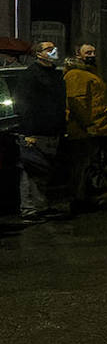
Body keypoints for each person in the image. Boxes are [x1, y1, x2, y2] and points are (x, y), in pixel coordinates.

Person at [9, 42, 68, 221]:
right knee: (30, 171)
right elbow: (24, 104)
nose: (53, 51)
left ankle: (41, 206)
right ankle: (29, 210)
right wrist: (28, 132)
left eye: (54, 48)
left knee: (43, 173)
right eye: (49, 49)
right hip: (35, 131)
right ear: (38, 54)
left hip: (51, 130)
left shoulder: (56, 75)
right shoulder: (30, 75)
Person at [63, 43, 107, 211]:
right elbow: (77, 102)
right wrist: (87, 124)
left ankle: (87, 197)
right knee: (83, 166)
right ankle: (80, 200)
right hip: (84, 130)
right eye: (88, 52)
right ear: (78, 54)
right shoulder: (76, 74)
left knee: (91, 165)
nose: (92, 54)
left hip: (96, 128)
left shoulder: (89, 73)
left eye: (94, 51)